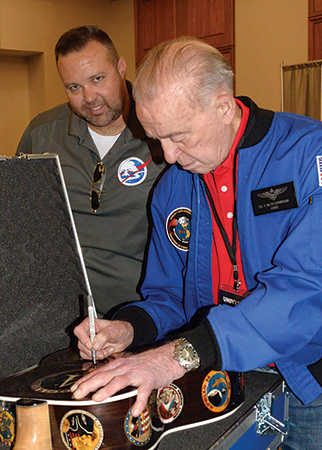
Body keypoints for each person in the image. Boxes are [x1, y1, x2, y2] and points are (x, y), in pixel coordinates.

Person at [71, 37, 322, 449]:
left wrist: (177, 355)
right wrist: (130, 328)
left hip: (308, 379)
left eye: (178, 136)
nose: (168, 156)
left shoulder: (309, 153)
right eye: (155, 138)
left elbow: (308, 288)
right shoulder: (174, 187)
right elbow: (169, 295)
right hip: (225, 377)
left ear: (223, 107)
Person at [16, 26, 165, 317]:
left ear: (120, 68)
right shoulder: (42, 134)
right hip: (58, 316)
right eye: (74, 87)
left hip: (142, 315)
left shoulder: (163, 131)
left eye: (98, 79)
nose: (89, 97)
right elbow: (21, 225)